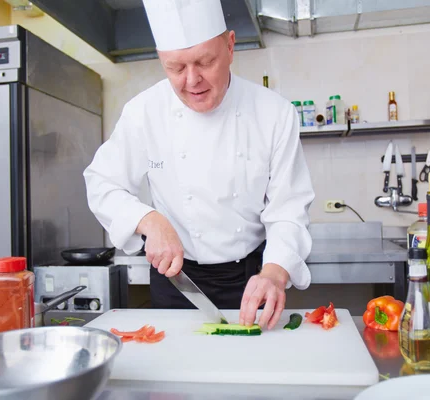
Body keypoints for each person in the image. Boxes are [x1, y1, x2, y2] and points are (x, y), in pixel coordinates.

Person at [83, 0, 315, 330]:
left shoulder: (274, 114)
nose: (192, 80)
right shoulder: (144, 113)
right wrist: (149, 220)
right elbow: (101, 182)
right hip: (176, 279)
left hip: (252, 277)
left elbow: (288, 208)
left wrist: (275, 273)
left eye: (205, 61)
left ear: (230, 46)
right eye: (175, 68)